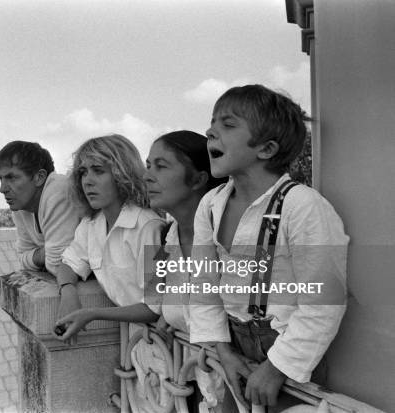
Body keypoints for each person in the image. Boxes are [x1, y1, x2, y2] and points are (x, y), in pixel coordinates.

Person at [190, 84, 348, 408]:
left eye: (228, 125)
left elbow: (324, 302)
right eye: (212, 122)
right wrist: (223, 351)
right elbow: (203, 286)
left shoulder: (301, 206)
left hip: (290, 357)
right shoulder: (210, 205)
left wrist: (277, 368)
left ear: (266, 149)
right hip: (232, 351)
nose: (210, 131)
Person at [52, 134, 165, 341]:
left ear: (123, 174)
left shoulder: (148, 226)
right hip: (136, 341)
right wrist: (68, 293)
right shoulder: (91, 224)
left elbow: (154, 306)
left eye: (98, 171)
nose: (87, 181)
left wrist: (92, 313)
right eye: (83, 172)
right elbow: (68, 263)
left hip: (168, 342)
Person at [143, 130, 227, 332]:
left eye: (161, 167)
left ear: (198, 180)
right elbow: (153, 303)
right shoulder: (165, 240)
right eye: (148, 166)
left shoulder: (228, 239)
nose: (147, 177)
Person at [0, 141, 81, 275]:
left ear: (39, 177)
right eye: (1, 179)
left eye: (11, 178)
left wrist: (39, 256)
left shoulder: (58, 190)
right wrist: (43, 254)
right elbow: (22, 259)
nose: (2, 189)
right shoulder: (21, 206)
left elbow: (59, 265)